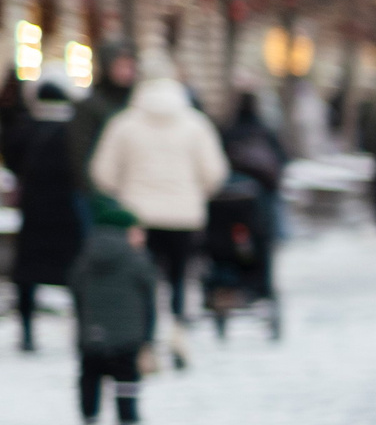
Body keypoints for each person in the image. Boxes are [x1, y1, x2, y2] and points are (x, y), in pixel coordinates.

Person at [88, 62, 228, 348]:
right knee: (179, 278)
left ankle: (146, 340)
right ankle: (178, 330)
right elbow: (215, 173)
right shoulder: (196, 124)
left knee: (142, 279)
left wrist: (122, 193)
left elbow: (102, 174)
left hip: (138, 217)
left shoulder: (124, 124)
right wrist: (196, 194)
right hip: (184, 217)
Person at [69, 195, 158, 425]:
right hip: (128, 334)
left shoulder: (86, 255)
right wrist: (148, 335)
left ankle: (89, 413)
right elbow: (149, 288)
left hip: (91, 331)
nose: (142, 236)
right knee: (126, 376)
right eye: (138, 231)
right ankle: (127, 415)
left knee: (90, 373)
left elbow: (75, 285)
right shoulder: (136, 259)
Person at [6, 77, 80, 351]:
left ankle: (27, 334)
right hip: (65, 210)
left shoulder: (27, 128)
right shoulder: (73, 130)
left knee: (28, 274)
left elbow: (12, 158)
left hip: (34, 209)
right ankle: (81, 330)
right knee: (73, 272)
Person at [67, 39, 136, 196]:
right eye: (120, 66)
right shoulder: (89, 106)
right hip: (97, 189)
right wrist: (90, 188)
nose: (126, 72)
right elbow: (80, 151)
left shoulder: (135, 104)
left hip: (130, 190)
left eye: (130, 66)